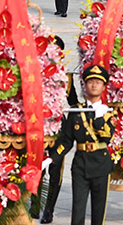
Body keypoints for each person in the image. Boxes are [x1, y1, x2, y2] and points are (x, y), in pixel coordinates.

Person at [48, 65, 114, 225]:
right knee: (77, 210)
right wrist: (51, 159)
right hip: (80, 166)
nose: (94, 85)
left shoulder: (108, 112)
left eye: (98, 82)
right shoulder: (76, 111)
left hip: (100, 165)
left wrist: (99, 118)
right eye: (91, 81)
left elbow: (106, 137)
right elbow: (67, 141)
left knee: (98, 212)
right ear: (85, 84)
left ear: (104, 86)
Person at [31, 36, 77, 224]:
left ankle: (49, 209)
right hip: (37, 126)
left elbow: (73, 103)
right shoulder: (34, 73)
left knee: (55, 168)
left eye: (57, 51)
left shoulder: (65, 76)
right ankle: (35, 206)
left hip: (58, 127)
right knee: (36, 168)